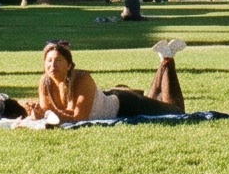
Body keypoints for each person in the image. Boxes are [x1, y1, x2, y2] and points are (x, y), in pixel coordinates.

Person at [26, 42, 186, 122]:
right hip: (109, 97)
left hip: (124, 104)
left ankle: (168, 59)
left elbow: (79, 117)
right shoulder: (45, 82)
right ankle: (164, 57)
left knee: (176, 112)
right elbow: (48, 111)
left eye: (58, 60)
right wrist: (37, 113)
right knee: (154, 102)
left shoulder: (82, 78)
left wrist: (46, 115)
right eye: (49, 61)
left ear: (69, 65)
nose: (52, 65)